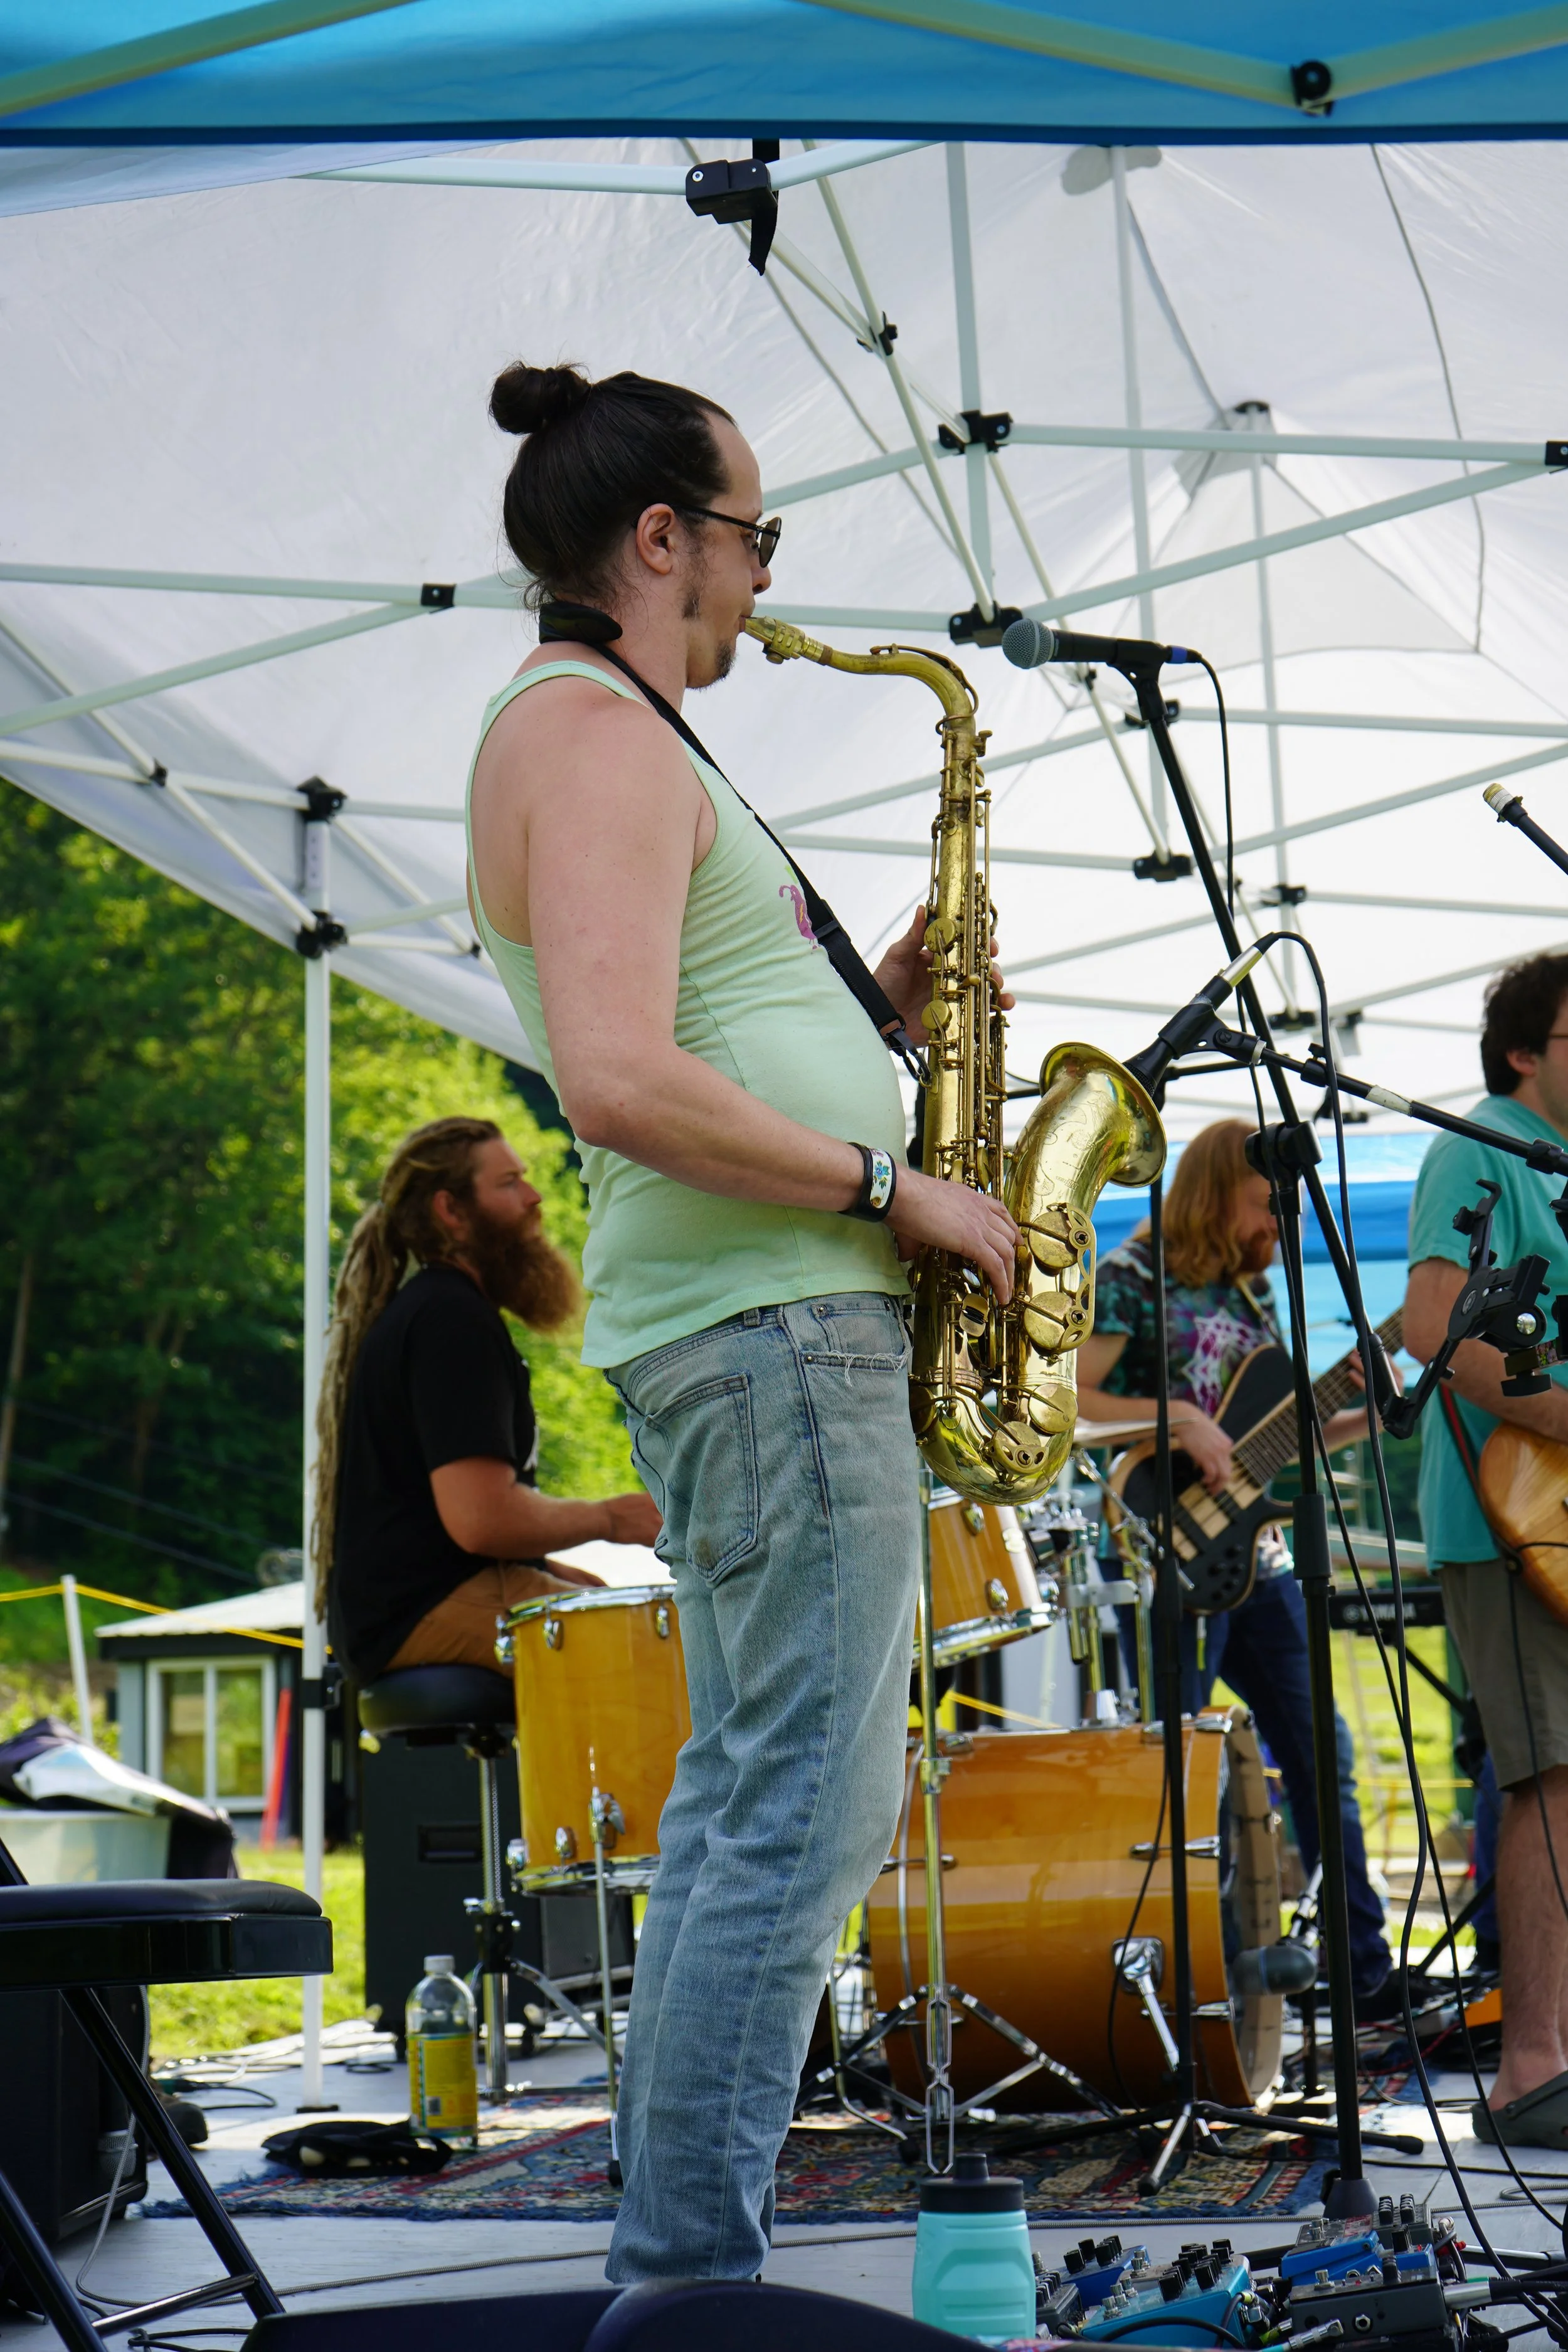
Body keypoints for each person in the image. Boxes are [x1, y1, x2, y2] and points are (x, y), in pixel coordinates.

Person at [465, 361, 1019, 2281]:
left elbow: (667, 1018)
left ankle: (674, 2264)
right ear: (658, 540)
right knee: (803, 1808)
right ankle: (686, 2287)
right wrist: (894, 1187)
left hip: (748, 1321)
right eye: (751, 532)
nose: (764, 576)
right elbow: (614, 1075)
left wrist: (866, 992)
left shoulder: (596, 733)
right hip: (776, 1320)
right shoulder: (599, 737)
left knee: (748, 1800)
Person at [1076, 1118, 1397, 2016]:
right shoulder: (1133, 1277)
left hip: (1262, 1557)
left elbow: (1270, 1444)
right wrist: (1177, 1417)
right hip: (1165, 1555)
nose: (1276, 1226)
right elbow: (1073, 1407)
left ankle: (1359, 1974)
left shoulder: (1252, 1299)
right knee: (1177, 1776)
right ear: (1217, 1190)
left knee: (1320, 1756)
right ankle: (1175, 1986)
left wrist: (1363, 1409)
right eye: (1265, 1204)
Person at [314, 1115, 661, 1685]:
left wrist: (551, 1571)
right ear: (451, 1211)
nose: (534, 1197)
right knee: (645, 1652)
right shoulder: (450, 1320)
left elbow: (431, 1526)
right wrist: (612, 1518)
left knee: (602, 1603)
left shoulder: (435, 1311)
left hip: (400, 1610)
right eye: (508, 1184)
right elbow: (481, 1519)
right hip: (418, 1612)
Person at [1404, 951, 1568, 2145]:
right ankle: (1530, 2070)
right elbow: (1431, 1326)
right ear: (1524, 1049)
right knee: (1551, 1777)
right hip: (1511, 1516)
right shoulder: (1480, 1148)